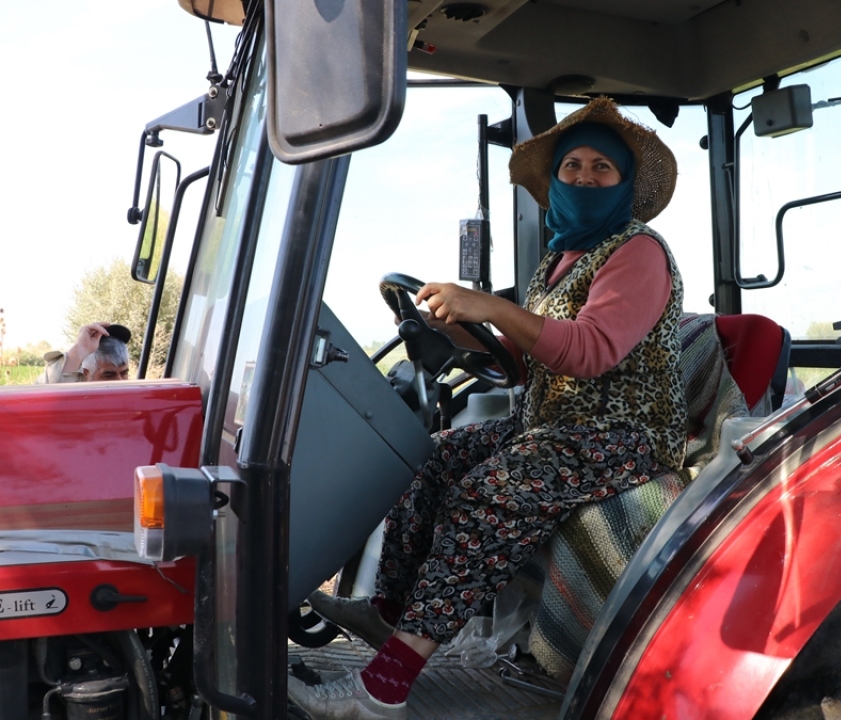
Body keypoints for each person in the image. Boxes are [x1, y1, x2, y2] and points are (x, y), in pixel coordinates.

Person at [286, 97, 687, 720]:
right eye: (572, 165)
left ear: (625, 183)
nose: (584, 177)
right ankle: (388, 613)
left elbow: (592, 351)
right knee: (433, 453)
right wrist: (469, 330)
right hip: (555, 422)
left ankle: (383, 689)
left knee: (490, 491)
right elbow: (537, 361)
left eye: (601, 168)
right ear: (554, 178)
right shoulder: (558, 260)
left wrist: (490, 306)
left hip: (623, 434)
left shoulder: (638, 252)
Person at [34, 323, 132, 383]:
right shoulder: (78, 398)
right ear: (86, 375)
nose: (120, 381)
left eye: (124, 373)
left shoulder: (132, 399)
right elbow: (48, 396)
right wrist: (79, 350)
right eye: (109, 375)